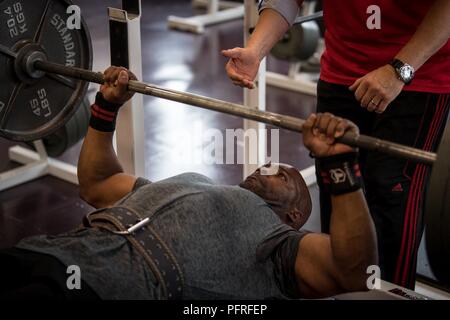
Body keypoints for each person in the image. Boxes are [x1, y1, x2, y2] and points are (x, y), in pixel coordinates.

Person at [0, 67, 377, 300]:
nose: (265, 168)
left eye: (280, 174)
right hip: (49, 253)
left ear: (294, 215)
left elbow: (353, 272)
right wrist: (106, 106)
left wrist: (338, 164)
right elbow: (98, 184)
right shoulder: (192, 183)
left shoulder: (280, 247)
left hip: (98, 290)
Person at [222, 0, 450, 289]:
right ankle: (342, 289)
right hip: (341, 73)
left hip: (418, 78)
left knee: (391, 193)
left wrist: (399, 70)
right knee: (337, 185)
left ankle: (391, 294)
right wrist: (255, 49)